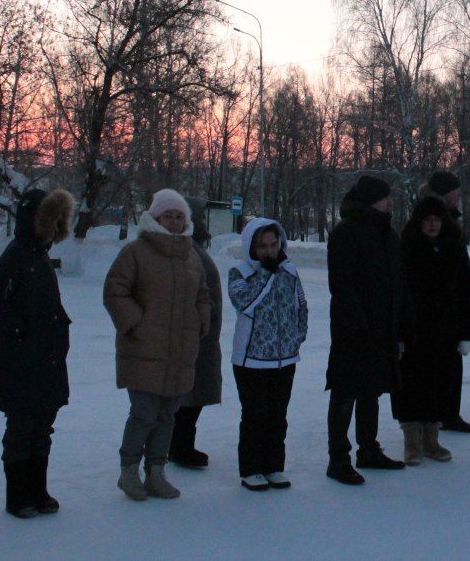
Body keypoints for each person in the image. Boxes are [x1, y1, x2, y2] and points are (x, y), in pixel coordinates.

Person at [103, 189, 211, 501]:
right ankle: (128, 472)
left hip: (179, 352)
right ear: (155, 217)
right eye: (169, 215)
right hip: (143, 351)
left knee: (167, 416)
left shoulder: (190, 255)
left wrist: (200, 321)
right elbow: (115, 291)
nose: (175, 221)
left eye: (180, 216)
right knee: (143, 414)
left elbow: (202, 294)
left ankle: (156, 473)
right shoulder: (136, 252)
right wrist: (136, 323)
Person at [0, 188, 74, 519]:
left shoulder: (40, 256)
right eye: (47, 221)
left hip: (48, 360)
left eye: (57, 222)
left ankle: (38, 490)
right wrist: (20, 330)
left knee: (42, 427)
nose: (52, 228)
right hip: (20, 362)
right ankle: (17, 495)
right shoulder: (16, 254)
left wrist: (58, 328)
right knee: (21, 428)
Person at [325, 175, 409, 485]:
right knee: (345, 392)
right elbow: (343, 286)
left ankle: (368, 449)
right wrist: (358, 323)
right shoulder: (346, 233)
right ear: (370, 199)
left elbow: (397, 281)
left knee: (372, 390)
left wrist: (398, 321)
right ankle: (338, 458)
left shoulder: (387, 233)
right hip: (354, 330)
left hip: (382, 326)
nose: (390, 201)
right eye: (385, 197)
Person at [228, 217, 308, 491]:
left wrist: (297, 338)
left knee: (278, 416)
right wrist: (266, 272)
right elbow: (245, 303)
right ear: (252, 247)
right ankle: (251, 469)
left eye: (274, 244)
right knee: (255, 415)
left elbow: (301, 306)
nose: (269, 251)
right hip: (250, 361)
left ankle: (274, 466)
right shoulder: (240, 273)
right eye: (262, 246)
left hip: (285, 360)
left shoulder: (290, 271)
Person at [394, 196, 466, 464]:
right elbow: (398, 294)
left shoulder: (453, 248)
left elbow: (463, 291)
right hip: (413, 331)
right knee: (412, 385)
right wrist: (399, 333)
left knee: (439, 383)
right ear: (419, 223)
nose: (433, 225)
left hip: (444, 330)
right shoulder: (407, 250)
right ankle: (412, 442)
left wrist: (466, 332)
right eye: (427, 220)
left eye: (437, 219)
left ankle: (432, 440)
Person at [418, 171, 470, 434]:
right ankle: (435, 417)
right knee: (434, 367)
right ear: (444, 193)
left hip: (451, 308)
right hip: (434, 311)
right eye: (456, 192)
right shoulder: (431, 222)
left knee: (451, 364)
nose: (460, 196)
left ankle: (448, 413)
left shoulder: (450, 222)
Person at [168, 205, 225, 470]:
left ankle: (179, 445)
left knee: (192, 394)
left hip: (203, 336)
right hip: (195, 337)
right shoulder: (187, 251)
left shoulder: (192, 248)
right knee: (188, 395)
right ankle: (179, 447)